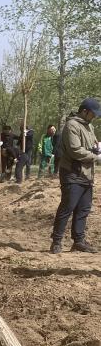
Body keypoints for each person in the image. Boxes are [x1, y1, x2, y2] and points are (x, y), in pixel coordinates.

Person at [49, 98, 101, 254]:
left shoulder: (89, 126)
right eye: (93, 114)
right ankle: (56, 241)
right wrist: (97, 157)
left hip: (87, 174)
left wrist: (97, 147)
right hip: (72, 173)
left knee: (83, 208)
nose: (95, 117)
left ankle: (78, 241)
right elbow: (75, 150)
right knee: (67, 207)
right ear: (84, 111)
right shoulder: (71, 125)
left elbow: (90, 145)